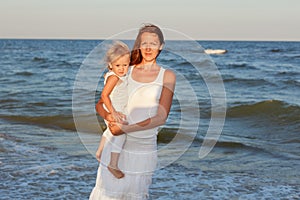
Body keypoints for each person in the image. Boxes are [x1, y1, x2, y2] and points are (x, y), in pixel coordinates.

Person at [89, 24, 176, 200]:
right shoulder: (124, 68)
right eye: (144, 43)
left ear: (161, 46)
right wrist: (109, 118)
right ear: (138, 45)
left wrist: (125, 129)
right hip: (115, 146)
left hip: (143, 148)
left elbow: (161, 117)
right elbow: (100, 103)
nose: (149, 48)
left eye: (153, 43)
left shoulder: (167, 76)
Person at [95, 41, 130, 179]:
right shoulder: (114, 77)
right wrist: (113, 112)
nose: (121, 69)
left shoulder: (113, 74)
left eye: (125, 65)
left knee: (109, 131)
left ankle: (100, 152)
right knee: (121, 134)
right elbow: (104, 95)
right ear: (110, 65)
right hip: (113, 108)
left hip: (112, 108)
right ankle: (113, 164)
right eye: (117, 65)